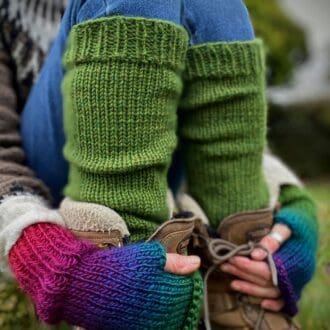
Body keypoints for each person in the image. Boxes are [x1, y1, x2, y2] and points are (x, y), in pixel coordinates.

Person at [0, 0, 318, 329]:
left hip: (168, 168)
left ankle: (236, 291)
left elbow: (230, 134)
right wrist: (40, 253)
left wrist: (288, 200)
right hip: (39, 182)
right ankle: (129, 272)